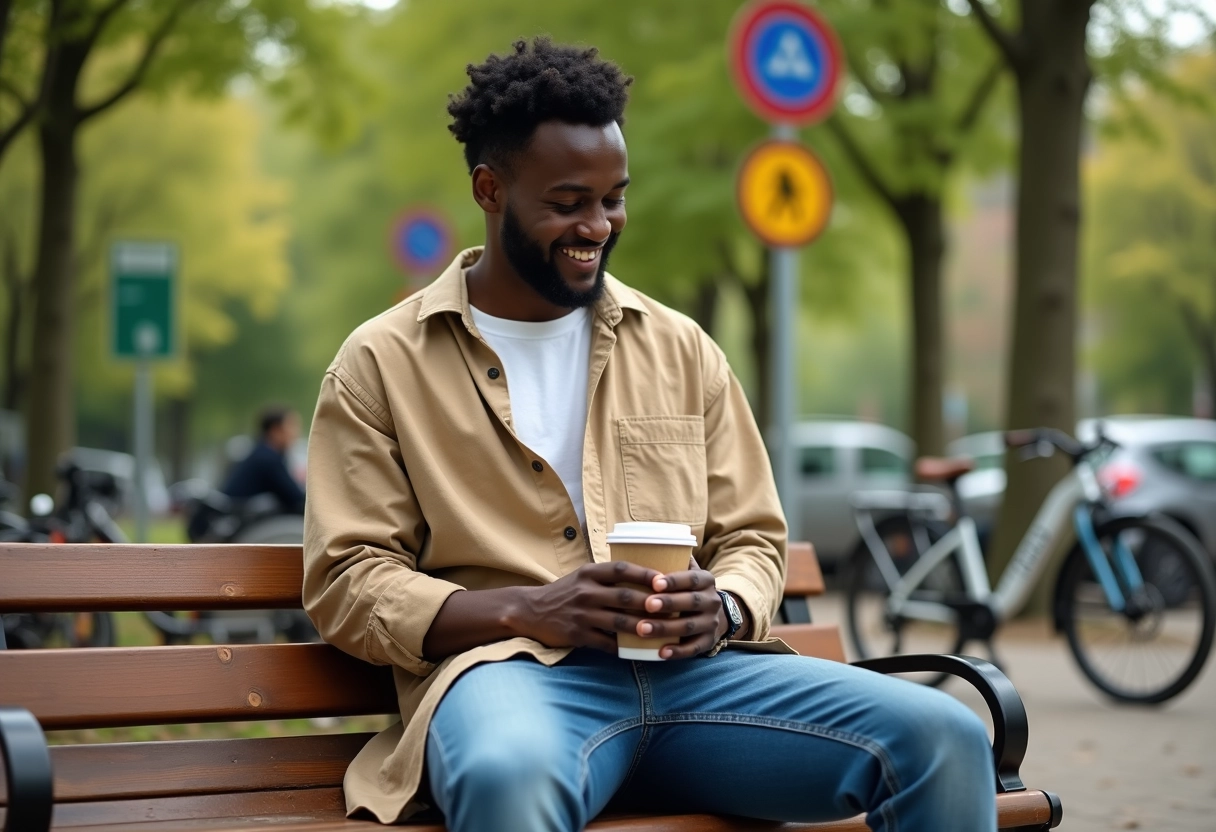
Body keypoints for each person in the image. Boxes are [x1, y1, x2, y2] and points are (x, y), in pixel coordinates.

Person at [303, 39, 996, 832]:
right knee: (506, 777)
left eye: (614, 198)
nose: (597, 225)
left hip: (701, 681)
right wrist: (529, 608)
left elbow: (754, 540)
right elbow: (348, 579)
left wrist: (727, 609)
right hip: (511, 680)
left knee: (943, 737)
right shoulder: (381, 363)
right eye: (567, 202)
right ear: (490, 190)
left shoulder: (680, 347)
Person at [222, 406, 306, 514]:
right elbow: (295, 498)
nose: (296, 433)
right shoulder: (268, 459)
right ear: (275, 430)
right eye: (292, 426)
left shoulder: (261, 453)